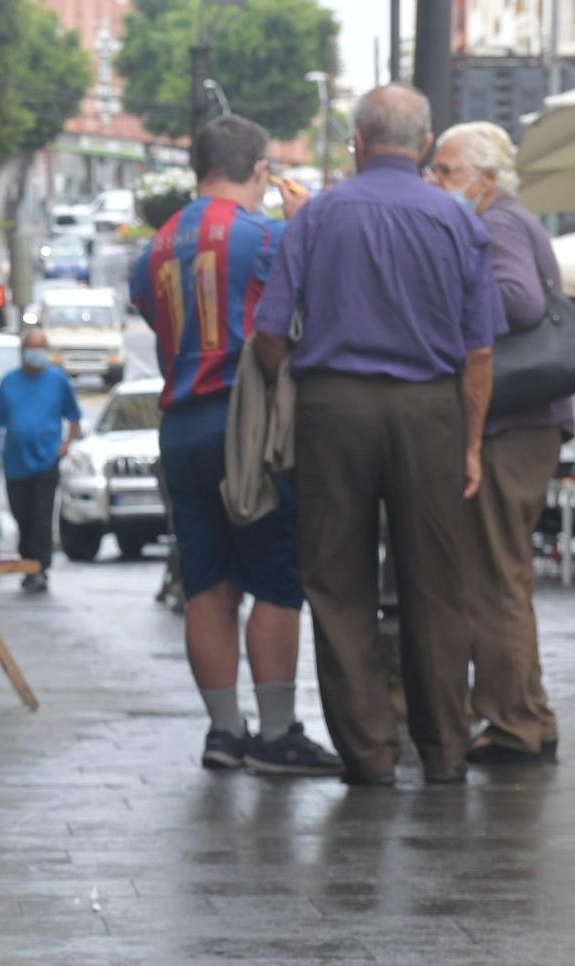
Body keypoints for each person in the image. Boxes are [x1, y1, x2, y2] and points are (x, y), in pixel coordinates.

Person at [254, 85, 504, 787]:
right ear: (424, 145)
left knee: (337, 583)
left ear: (358, 143)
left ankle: (368, 754)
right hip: (431, 412)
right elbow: (479, 352)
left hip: (335, 411)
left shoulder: (318, 216)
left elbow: (270, 333)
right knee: (436, 586)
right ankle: (447, 750)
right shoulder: (458, 223)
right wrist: (473, 442)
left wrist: (285, 383)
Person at [128, 114, 343, 777]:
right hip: (248, 425)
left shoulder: (152, 252)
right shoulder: (267, 236)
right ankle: (277, 733)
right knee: (277, 578)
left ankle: (224, 733)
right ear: (259, 172)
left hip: (180, 425)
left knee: (207, 585)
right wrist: (309, 221)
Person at [429, 122, 570, 766]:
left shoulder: (499, 224)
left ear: (486, 179)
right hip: (530, 422)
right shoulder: (514, 219)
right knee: (505, 569)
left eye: (447, 171)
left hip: (513, 423)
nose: (436, 181)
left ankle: (513, 723)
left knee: (495, 575)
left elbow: (517, 303)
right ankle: (529, 712)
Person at [0, 327, 81, 593]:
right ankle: (28, 561)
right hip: (15, 464)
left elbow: (74, 417)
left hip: (46, 461)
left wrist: (66, 445)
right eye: (31, 347)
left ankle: (39, 567)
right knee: (22, 516)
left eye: (41, 347)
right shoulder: (9, 382)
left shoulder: (58, 381)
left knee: (41, 515)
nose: (36, 353)